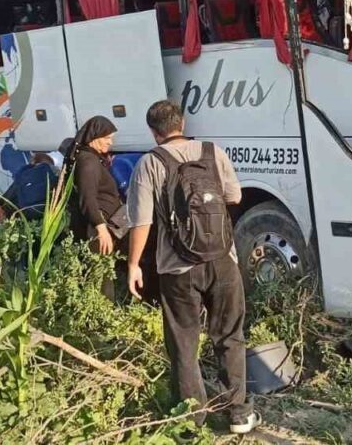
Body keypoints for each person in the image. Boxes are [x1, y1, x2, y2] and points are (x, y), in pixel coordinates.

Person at [125, 100, 259, 435]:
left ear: (153, 131)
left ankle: (190, 422)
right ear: (181, 123)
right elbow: (234, 197)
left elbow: (140, 221)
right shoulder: (214, 152)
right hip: (222, 261)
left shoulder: (150, 163)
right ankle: (239, 414)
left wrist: (133, 265)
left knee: (184, 342)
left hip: (177, 269)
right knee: (230, 336)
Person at [68, 116, 130, 298]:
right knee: (101, 276)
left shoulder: (91, 159)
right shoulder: (88, 162)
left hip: (101, 226)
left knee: (102, 272)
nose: (110, 143)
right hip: (98, 230)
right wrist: (101, 229)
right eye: (107, 138)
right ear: (95, 137)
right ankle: (102, 315)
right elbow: (88, 199)